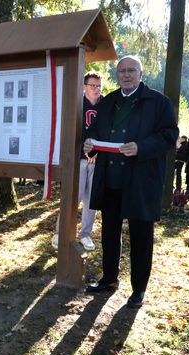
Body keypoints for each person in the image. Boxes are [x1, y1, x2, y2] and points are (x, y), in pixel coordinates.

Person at [83, 55, 178, 308]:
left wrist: (141, 147)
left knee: (141, 237)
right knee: (110, 233)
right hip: (111, 180)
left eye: (131, 70)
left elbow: (169, 135)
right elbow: (94, 131)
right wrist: (89, 143)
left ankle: (139, 289)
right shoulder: (108, 102)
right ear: (117, 74)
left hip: (140, 182)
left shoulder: (158, 102)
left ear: (140, 73)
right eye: (122, 71)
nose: (126, 74)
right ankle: (109, 279)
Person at [52, 71, 103, 252]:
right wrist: (84, 149)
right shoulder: (76, 104)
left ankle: (85, 234)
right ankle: (61, 231)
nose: (96, 89)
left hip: (98, 160)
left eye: (98, 85)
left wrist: (97, 150)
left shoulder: (105, 105)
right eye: (92, 85)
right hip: (79, 159)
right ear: (84, 86)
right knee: (74, 196)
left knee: (92, 200)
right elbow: (71, 129)